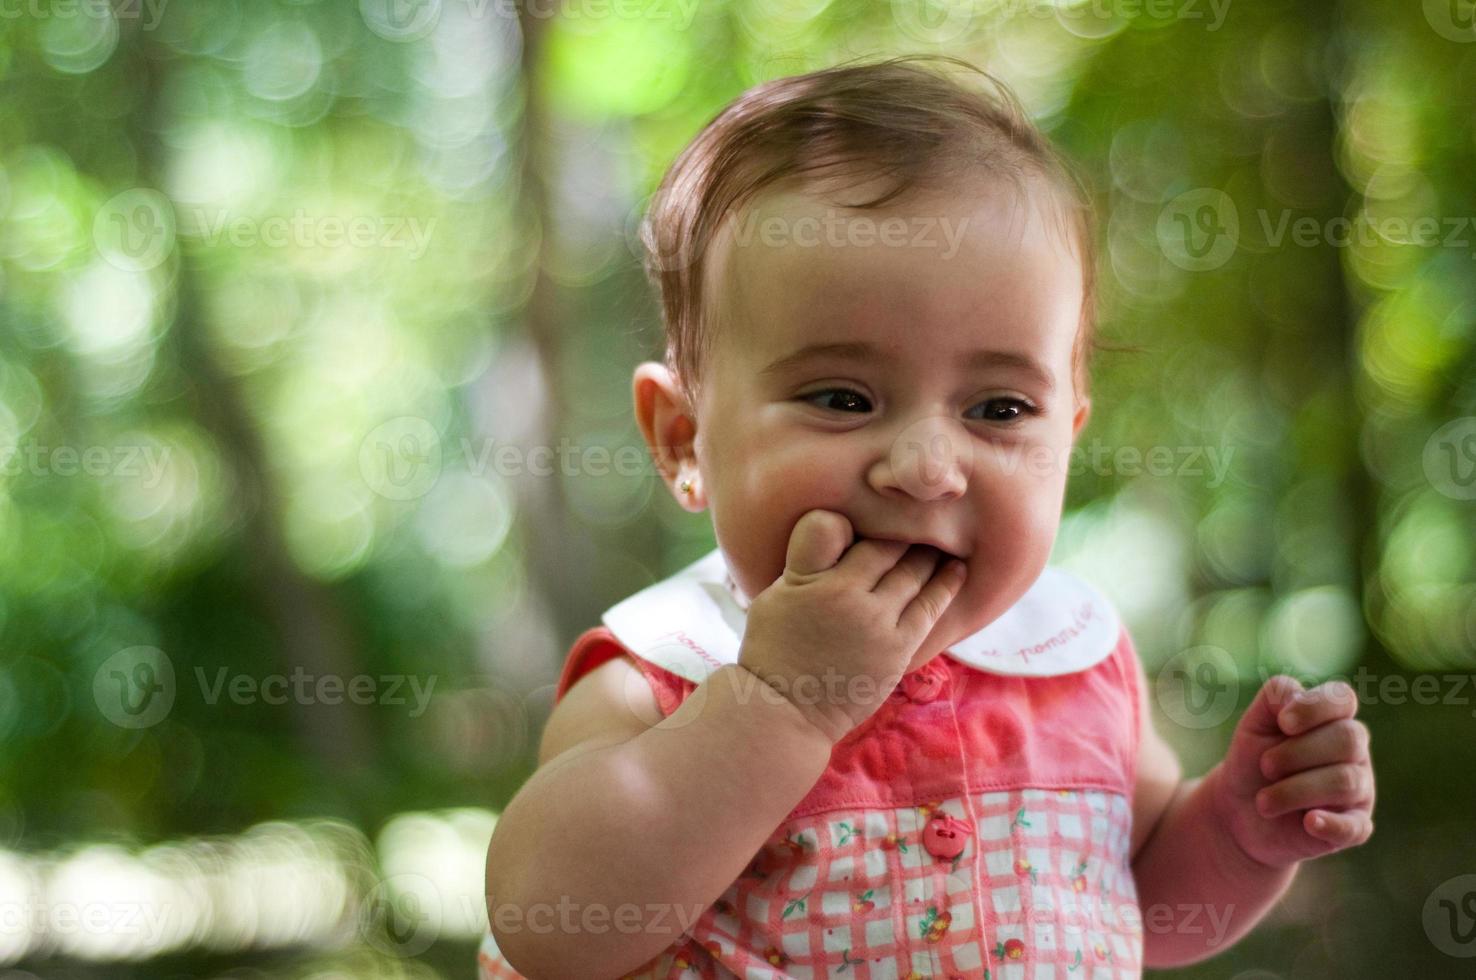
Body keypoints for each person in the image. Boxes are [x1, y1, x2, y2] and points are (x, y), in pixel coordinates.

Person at [479, 55, 1376, 979]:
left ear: (1066, 437)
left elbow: (1140, 905)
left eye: (998, 410)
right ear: (684, 439)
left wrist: (1240, 829)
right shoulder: (663, 676)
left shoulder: (1071, 664)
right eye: (840, 397)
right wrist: (781, 705)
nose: (924, 468)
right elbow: (551, 927)